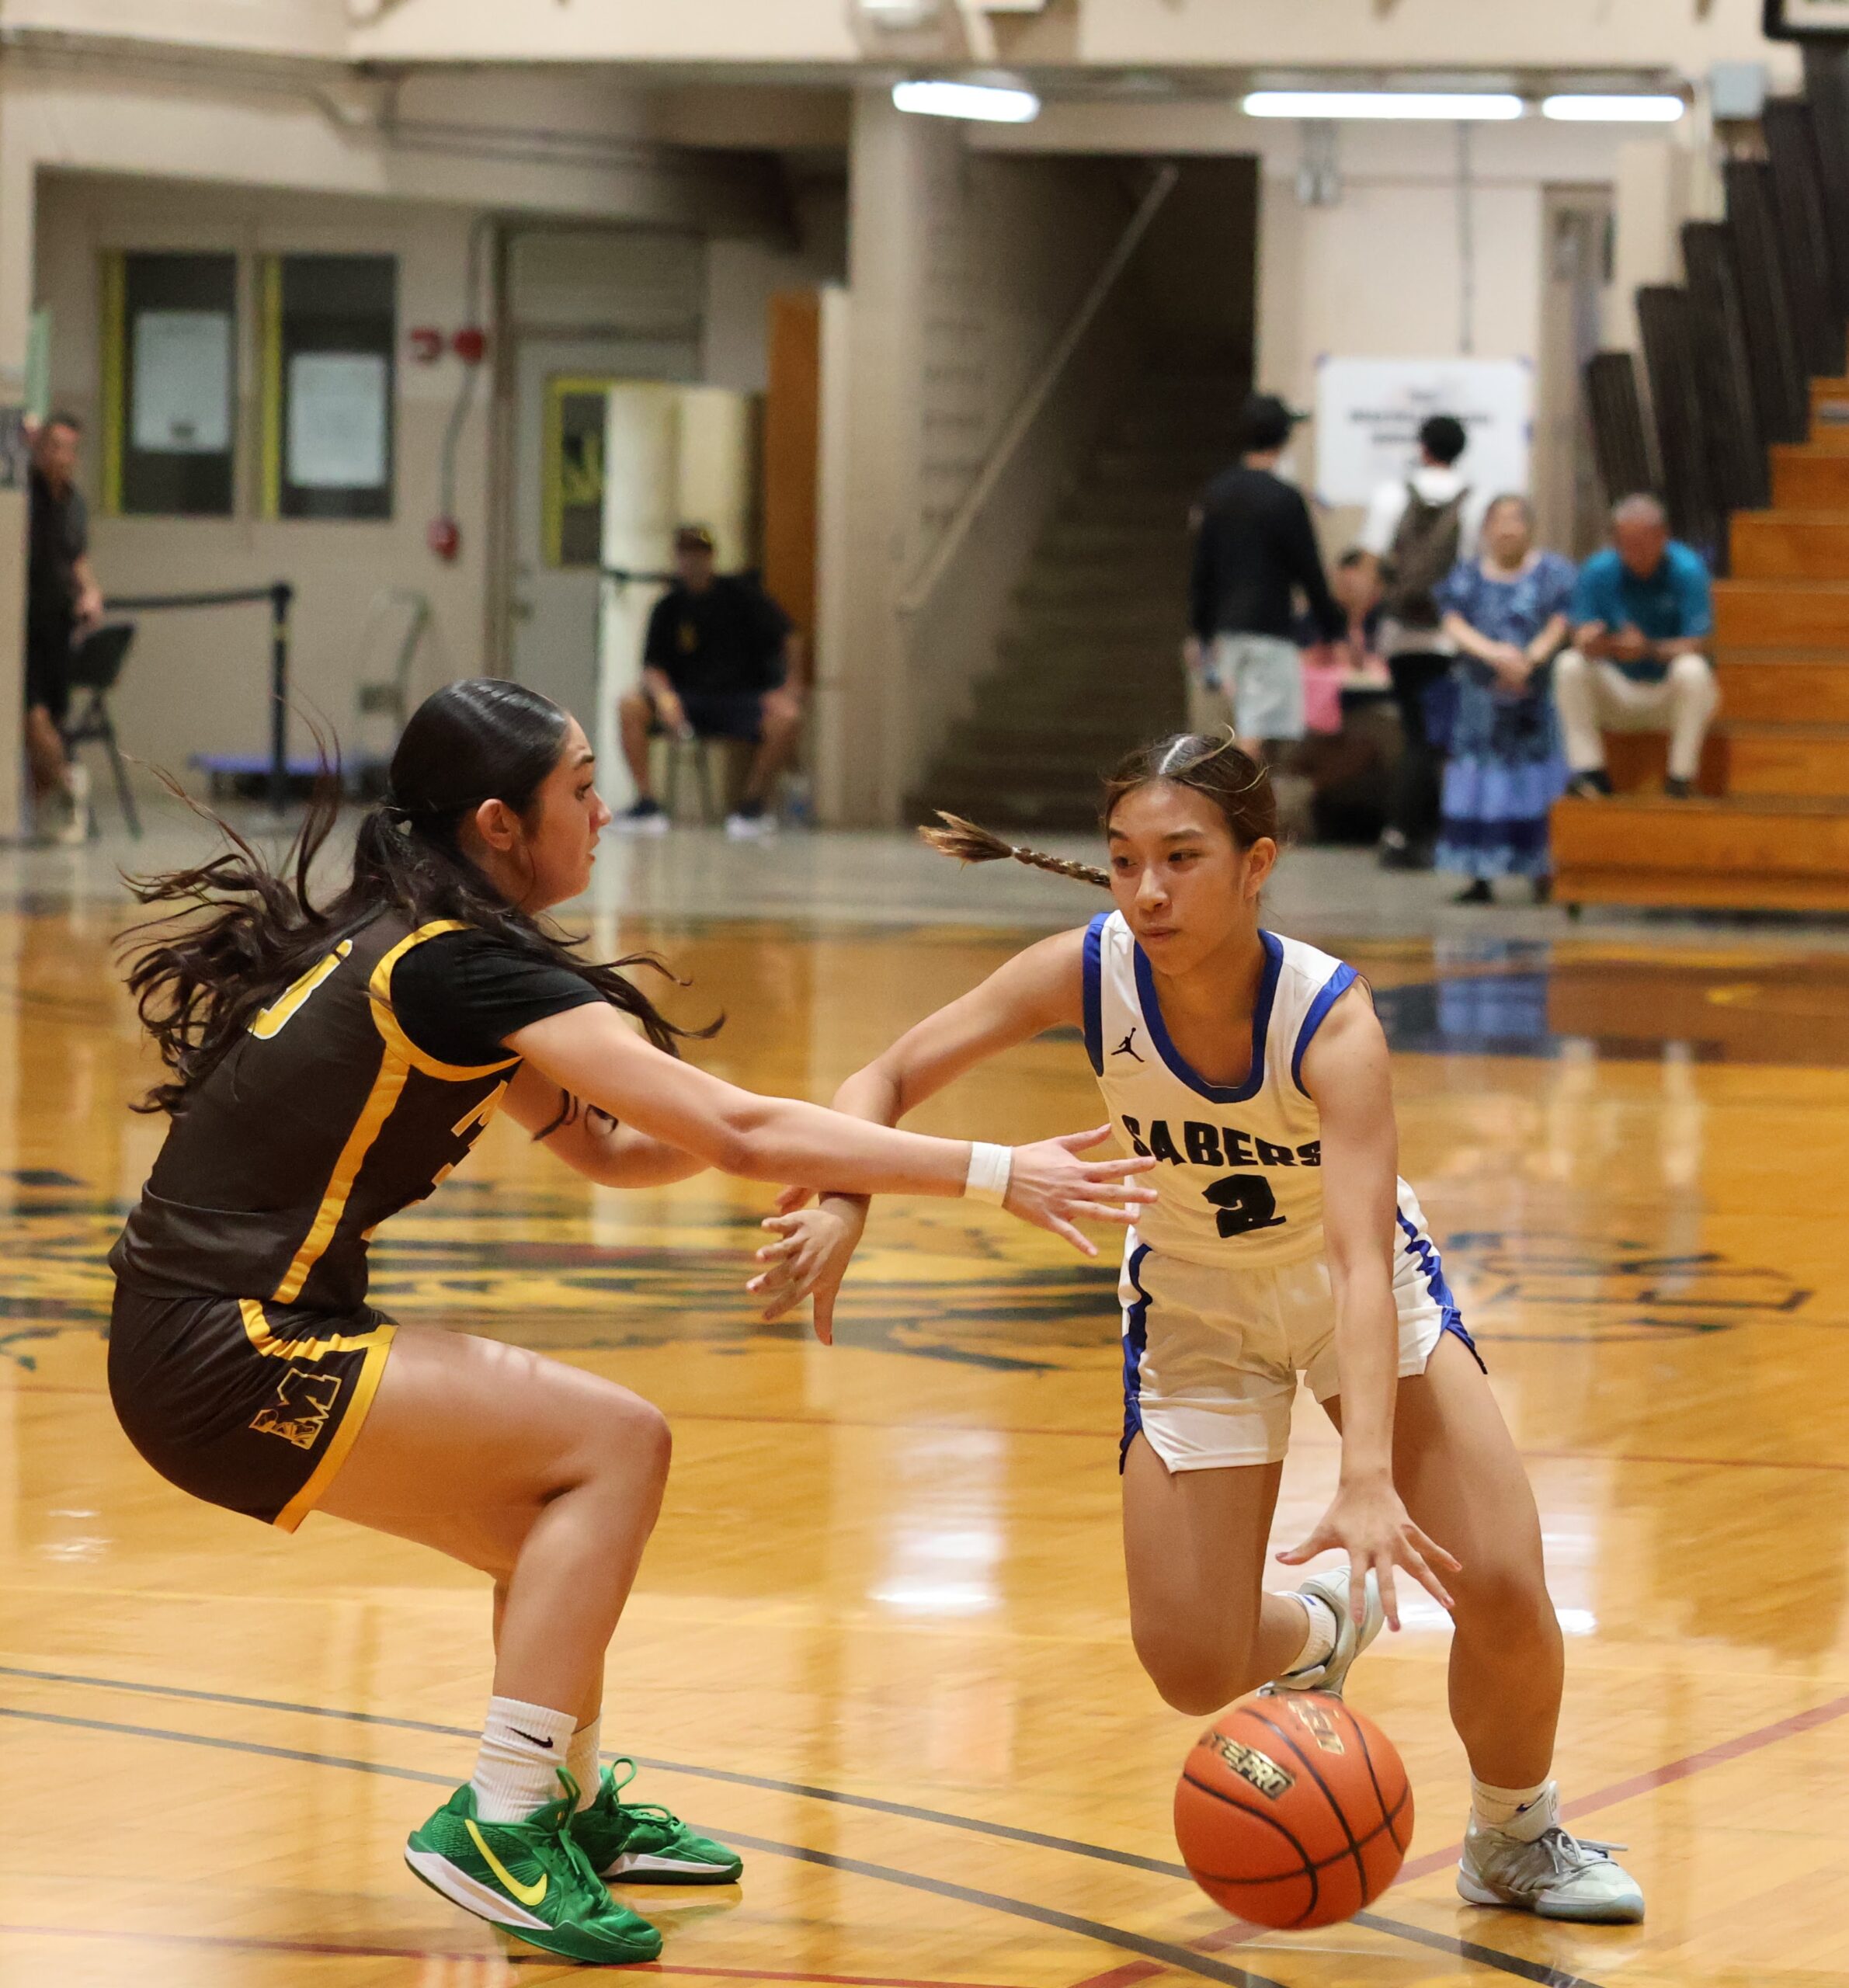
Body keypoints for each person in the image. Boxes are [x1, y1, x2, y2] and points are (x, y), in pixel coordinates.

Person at [106, 679, 1154, 1965]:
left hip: (197, 1341)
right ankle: (499, 1825)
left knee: (549, 1533)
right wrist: (993, 1170)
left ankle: (552, 1797)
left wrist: (817, 1149)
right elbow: (727, 1125)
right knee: (616, 1446)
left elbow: (616, 1148)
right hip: (225, 1349)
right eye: (582, 789)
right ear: (500, 821)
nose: (605, 811)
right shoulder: (457, 964)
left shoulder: (421, 933)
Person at [749, 733, 1646, 1929]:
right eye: (1124, 861)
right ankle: (1323, 1626)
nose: (1148, 891)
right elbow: (885, 1074)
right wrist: (847, 1207)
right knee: (1190, 1666)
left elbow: (1358, 1264)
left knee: (1499, 1584)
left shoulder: (1328, 1020)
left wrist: (1369, 1476)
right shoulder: (1087, 972)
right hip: (1194, 1310)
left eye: (1181, 858)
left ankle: (1515, 1832)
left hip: (1350, 1295)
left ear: (1255, 862)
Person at [1357, 415, 1490, 872]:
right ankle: (1415, 833)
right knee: (1436, 741)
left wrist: (1359, 628)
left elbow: (1370, 567)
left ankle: (1406, 833)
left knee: (1417, 734)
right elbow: (1476, 572)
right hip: (1450, 638)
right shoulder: (1476, 502)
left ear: (1423, 448)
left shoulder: (1393, 495)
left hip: (1400, 636)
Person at [616, 525, 805, 840]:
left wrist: (790, 687)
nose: (693, 561)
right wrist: (664, 698)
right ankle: (647, 802)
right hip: (687, 699)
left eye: (700, 554)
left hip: (740, 698)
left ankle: (752, 804)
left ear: (711, 557)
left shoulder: (742, 596)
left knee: (786, 717)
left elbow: (790, 636)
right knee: (630, 706)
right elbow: (653, 668)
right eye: (686, 554)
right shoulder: (668, 608)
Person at [1432, 495, 1576, 905]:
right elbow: (1453, 622)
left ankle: (1542, 871)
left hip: (1536, 698)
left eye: (1517, 520)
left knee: (1537, 778)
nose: (1508, 528)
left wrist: (1530, 659)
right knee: (1481, 780)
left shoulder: (1555, 573)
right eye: (1500, 520)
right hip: (1481, 699)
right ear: (1486, 528)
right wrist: (1494, 654)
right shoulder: (1466, 576)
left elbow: (1561, 620)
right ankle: (1480, 874)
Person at [1185, 394, 1344, 759]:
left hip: (1225, 627)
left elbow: (1202, 569)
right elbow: (1309, 571)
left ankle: (1239, 808)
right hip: (1268, 625)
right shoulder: (1284, 498)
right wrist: (1333, 630)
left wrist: (1201, 629)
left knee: (1242, 720)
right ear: (1284, 437)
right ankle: (1237, 813)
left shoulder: (1217, 493)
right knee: (1256, 731)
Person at [1554, 494, 1719, 800]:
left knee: (1693, 670)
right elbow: (1579, 630)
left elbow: (1700, 643)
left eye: (1644, 542)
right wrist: (1590, 641)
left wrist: (1648, 649)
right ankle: (1591, 774)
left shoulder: (1688, 570)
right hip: (1617, 689)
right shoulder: (1597, 570)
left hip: (1667, 691)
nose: (1636, 552)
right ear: (1615, 541)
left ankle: (1680, 777)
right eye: (1627, 543)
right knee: (1569, 664)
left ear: (1663, 537)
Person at [26, 412, 103, 843]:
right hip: (25, 625)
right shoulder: (26, 497)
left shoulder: (74, 503)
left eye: (69, 448)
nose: (62, 456)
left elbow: (77, 559)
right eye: (53, 446)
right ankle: (68, 783)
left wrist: (91, 593)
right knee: (29, 714)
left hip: (60, 625)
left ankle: (44, 816)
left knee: (50, 719)